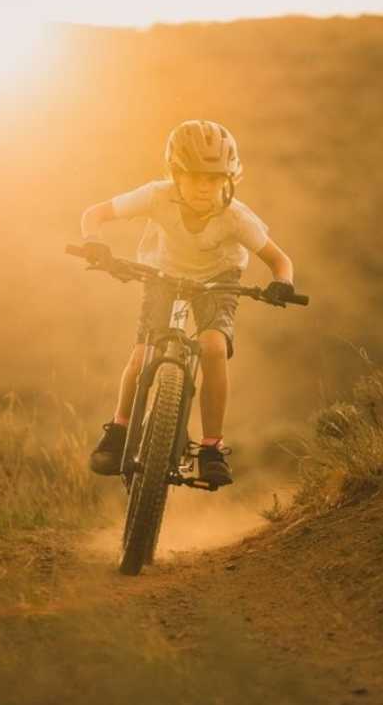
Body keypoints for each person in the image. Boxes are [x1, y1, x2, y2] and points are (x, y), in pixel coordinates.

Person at [80, 119, 295, 486]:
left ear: (229, 178)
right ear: (175, 174)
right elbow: (94, 215)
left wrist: (282, 284)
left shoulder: (235, 216)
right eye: (195, 177)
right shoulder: (157, 195)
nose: (204, 188)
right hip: (163, 274)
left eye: (214, 179)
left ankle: (211, 448)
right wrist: (93, 241)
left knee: (212, 347)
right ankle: (118, 430)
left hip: (218, 280)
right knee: (141, 353)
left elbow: (280, 261)